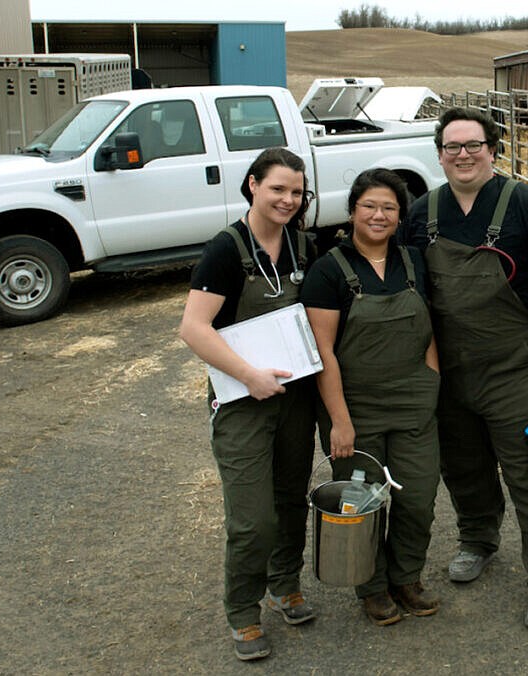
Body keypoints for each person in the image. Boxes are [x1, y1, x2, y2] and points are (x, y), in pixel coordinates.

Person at [400, 108, 528, 630]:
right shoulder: (422, 212)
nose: (463, 154)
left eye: (474, 144)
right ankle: (478, 540)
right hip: (450, 369)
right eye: (452, 146)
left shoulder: (525, 204)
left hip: (514, 369)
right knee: (462, 467)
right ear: (439, 153)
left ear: (493, 148)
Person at [179, 147, 318, 661]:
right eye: (277, 188)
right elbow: (193, 328)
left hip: (296, 398)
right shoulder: (226, 249)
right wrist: (247, 375)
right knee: (251, 517)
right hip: (242, 400)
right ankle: (243, 611)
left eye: (296, 192)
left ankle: (285, 585)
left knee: (289, 499)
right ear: (253, 185)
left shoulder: (305, 246)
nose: (287, 199)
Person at [300, 168, 441, 626]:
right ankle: (373, 587)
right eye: (369, 206)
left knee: (418, 498)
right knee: (362, 500)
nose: (378, 215)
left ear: (401, 216)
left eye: (389, 208)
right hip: (356, 409)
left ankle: (406, 577)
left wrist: (431, 380)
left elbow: (429, 329)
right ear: (353, 210)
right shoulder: (329, 270)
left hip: (414, 403)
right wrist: (339, 420)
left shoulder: (414, 261)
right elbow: (323, 352)